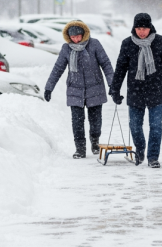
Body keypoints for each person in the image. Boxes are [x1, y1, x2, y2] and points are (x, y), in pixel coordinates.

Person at [109, 13, 162, 167]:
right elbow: (121, 68)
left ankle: (153, 157)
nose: (141, 32)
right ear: (134, 28)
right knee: (135, 126)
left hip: (156, 90)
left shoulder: (160, 42)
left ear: (150, 27)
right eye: (138, 28)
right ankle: (140, 149)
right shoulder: (127, 44)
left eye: (144, 28)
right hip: (135, 91)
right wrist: (115, 89)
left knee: (156, 126)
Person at [44, 20, 115, 159]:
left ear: (84, 34)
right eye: (73, 37)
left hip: (95, 87)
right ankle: (80, 149)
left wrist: (112, 84)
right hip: (74, 89)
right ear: (68, 36)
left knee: (95, 122)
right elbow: (58, 68)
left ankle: (95, 141)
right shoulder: (66, 48)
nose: (76, 40)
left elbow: (106, 64)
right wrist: (49, 88)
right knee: (77, 121)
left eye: (78, 36)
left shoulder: (94, 44)